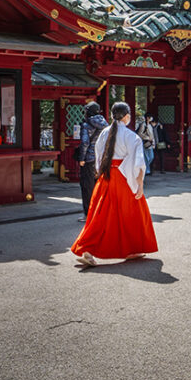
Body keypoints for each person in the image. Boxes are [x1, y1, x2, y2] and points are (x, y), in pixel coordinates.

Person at [70, 102, 157, 266]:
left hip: (106, 178)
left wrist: (100, 173)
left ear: (111, 115)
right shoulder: (132, 136)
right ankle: (132, 248)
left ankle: (87, 250)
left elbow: (98, 157)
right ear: (126, 116)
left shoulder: (104, 133)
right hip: (124, 178)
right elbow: (138, 163)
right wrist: (139, 183)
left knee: (100, 216)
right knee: (133, 215)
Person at [76, 101, 108, 220]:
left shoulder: (86, 125)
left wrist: (82, 158)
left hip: (89, 159)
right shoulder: (105, 125)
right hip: (101, 159)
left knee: (86, 186)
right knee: (98, 186)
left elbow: (85, 142)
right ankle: (100, 211)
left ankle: (88, 214)